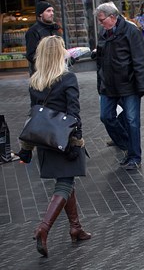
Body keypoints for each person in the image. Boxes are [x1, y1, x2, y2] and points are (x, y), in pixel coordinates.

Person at [17, 35, 90, 257]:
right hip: (64, 138)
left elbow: (34, 116)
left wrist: (26, 149)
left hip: (44, 140)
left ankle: (75, 227)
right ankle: (43, 228)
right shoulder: (67, 78)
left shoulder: (35, 81)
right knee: (66, 182)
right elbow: (73, 113)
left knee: (65, 180)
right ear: (60, 54)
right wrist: (76, 140)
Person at [94, 2, 144, 170]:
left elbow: (140, 60)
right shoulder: (104, 32)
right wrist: (100, 80)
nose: (100, 23)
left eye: (102, 20)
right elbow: (101, 60)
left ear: (113, 17)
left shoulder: (131, 31)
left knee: (132, 121)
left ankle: (134, 156)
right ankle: (127, 145)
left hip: (129, 85)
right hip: (109, 85)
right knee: (106, 116)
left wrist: (142, 86)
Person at [25, 1, 61, 75]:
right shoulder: (33, 31)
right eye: (48, 11)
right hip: (41, 74)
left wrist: (67, 57)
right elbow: (31, 55)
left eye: (52, 11)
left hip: (57, 71)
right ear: (40, 14)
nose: (52, 13)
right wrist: (49, 60)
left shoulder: (55, 29)